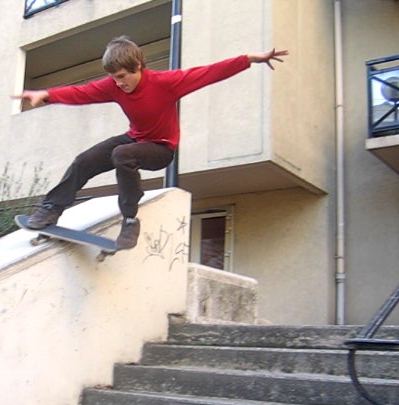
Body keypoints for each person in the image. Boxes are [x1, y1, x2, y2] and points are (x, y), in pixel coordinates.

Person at [15, 36, 288, 249]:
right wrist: (46, 94)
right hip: (135, 139)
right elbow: (82, 92)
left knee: (123, 154)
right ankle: (52, 209)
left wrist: (250, 58)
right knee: (85, 160)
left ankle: (130, 220)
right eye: (113, 78)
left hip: (161, 149)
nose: (118, 84)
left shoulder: (166, 82)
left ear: (138, 67)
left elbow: (209, 72)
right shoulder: (113, 86)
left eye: (122, 77)